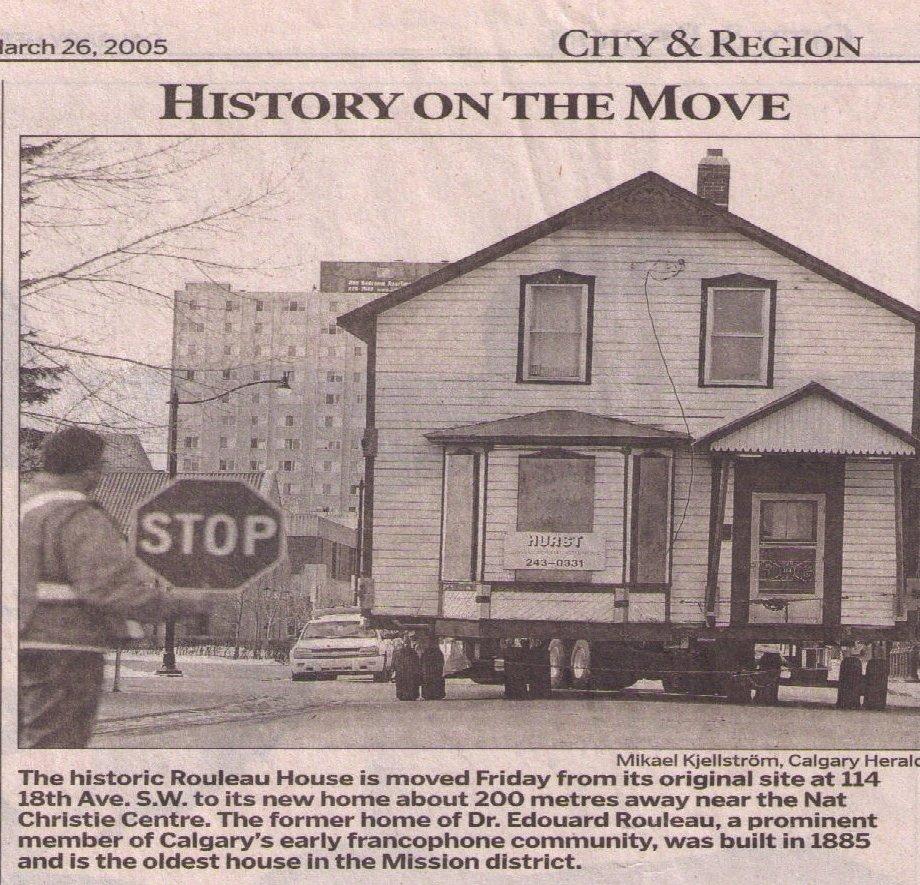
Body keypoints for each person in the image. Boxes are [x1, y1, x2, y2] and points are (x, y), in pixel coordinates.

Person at [19, 426, 211, 748]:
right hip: (67, 650)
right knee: (56, 748)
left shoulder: (22, 508)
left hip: (22, 642)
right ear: (89, 469)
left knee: (26, 741)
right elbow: (114, 589)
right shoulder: (80, 518)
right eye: (101, 464)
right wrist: (189, 602)